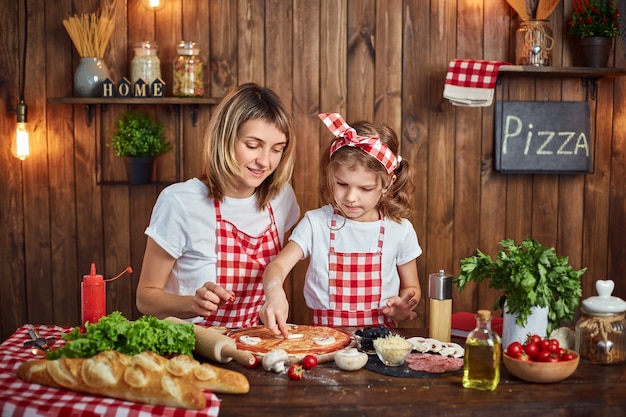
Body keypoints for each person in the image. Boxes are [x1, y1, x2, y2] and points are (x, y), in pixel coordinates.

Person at [136, 83, 300, 328]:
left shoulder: (281, 196)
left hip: (253, 345)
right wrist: (192, 303)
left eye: (277, 149)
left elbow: (276, 273)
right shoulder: (180, 202)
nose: (265, 161)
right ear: (225, 139)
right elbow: (145, 298)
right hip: (193, 350)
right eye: (253, 145)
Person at [260, 113, 422, 337]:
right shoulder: (316, 224)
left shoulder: (400, 229)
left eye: (365, 188)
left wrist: (402, 307)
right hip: (323, 342)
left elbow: (412, 287)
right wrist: (274, 292)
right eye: (342, 184)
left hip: (381, 346)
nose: (351, 197)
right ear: (331, 175)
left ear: (387, 184)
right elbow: (276, 267)